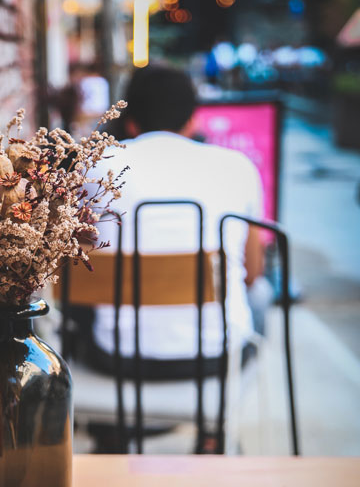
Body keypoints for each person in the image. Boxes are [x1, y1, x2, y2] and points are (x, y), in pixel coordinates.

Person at [83, 63, 265, 379]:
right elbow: (252, 273)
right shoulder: (238, 167)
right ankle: (216, 424)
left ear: (132, 123)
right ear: (194, 119)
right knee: (261, 295)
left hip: (118, 357)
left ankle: (117, 425)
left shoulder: (97, 167)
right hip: (217, 355)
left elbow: (82, 265)